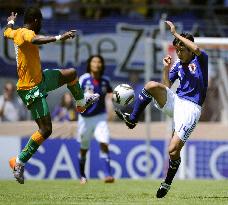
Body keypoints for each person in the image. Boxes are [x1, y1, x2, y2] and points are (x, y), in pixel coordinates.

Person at [4, 7, 99, 184]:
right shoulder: (25, 33)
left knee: (70, 73)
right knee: (46, 130)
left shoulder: (16, 31)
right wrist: (59, 37)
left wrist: (10, 21)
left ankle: (81, 103)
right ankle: (18, 162)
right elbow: (36, 39)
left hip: (41, 79)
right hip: (30, 89)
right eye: (41, 22)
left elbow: (6, 31)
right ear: (36, 21)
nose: (41, 25)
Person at [115, 21, 208, 198]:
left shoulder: (201, 60)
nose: (179, 53)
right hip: (177, 102)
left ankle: (167, 183)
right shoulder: (178, 65)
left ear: (188, 49)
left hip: (191, 109)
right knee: (151, 85)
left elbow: (195, 48)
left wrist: (175, 33)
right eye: (177, 50)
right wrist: (166, 69)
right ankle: (133, 119)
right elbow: (166, 87)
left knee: (173, 150)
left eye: (182, 49)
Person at [77, 55, 114, 184]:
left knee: (104, 142)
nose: (97, 64)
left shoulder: (105, 80)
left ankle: (108, 175)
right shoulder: (84, 79)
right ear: (90, 64)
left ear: (102, 65)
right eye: (94, 61)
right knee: (84, 147)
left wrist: (115, 96)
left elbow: (110, 94)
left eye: (99, 62)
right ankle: (82, 175)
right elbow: (76, 95)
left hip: (100, 117)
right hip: (85, 118)